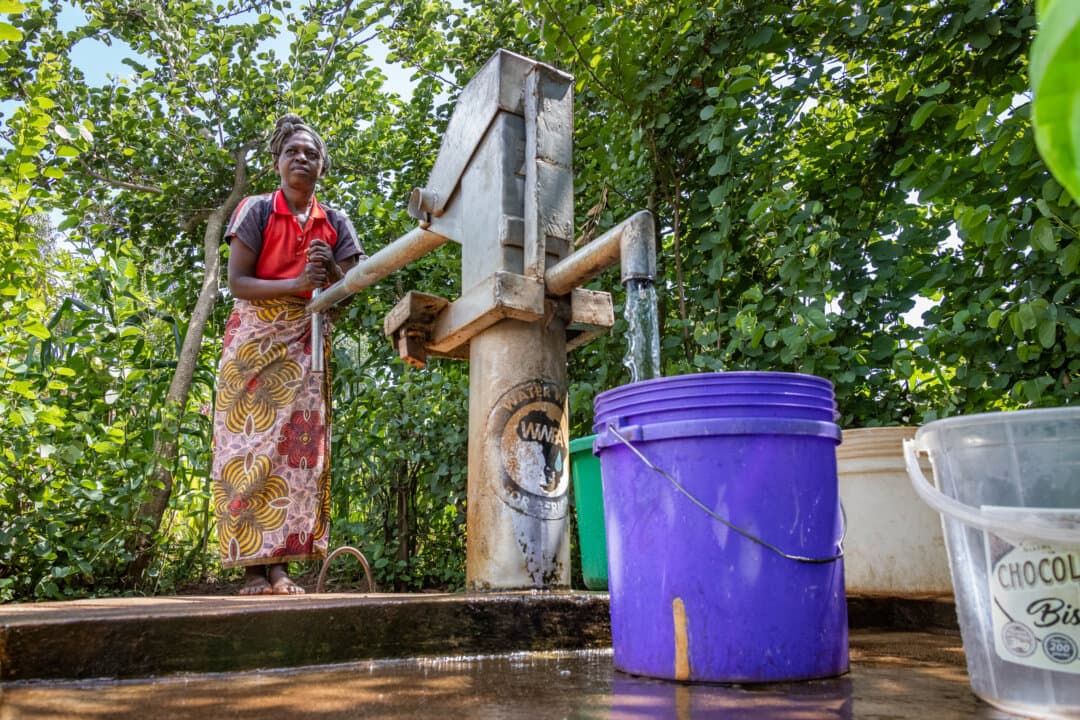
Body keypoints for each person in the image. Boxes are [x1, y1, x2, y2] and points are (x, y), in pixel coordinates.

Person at [212, 113, 364, 595]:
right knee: (247, 450)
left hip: (306, 343)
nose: (302, 158)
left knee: (297, 454)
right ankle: (251, 569)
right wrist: (299, 283)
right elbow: (236, 282)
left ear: (323, 167)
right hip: (253, 344)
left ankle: (280, 567)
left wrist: (331, 276)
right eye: (292, 152)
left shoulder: (335, 221)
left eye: (311, 153)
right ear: (277, 162)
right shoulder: (256, 210)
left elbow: (351, 288)